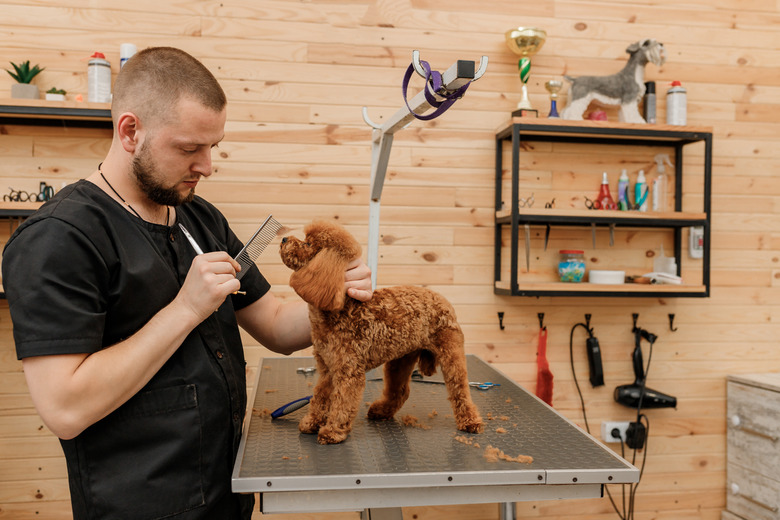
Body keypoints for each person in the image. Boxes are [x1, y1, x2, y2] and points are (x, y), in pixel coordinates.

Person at [2, 47, 373, 520]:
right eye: (188, 148)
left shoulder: (201, 217)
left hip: (224, 493)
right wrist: (184, 310)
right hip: (141, 507)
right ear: (131, 131)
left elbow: (278, 326)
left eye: (212, 146)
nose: (207, 165)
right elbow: (65, 409)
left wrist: (331, 297)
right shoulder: (60, 238)